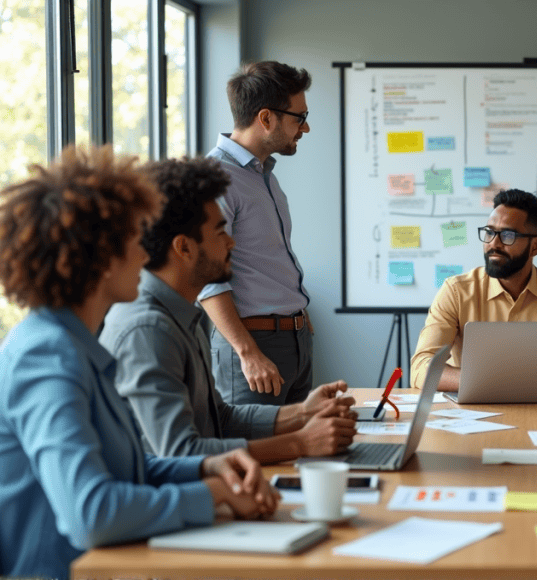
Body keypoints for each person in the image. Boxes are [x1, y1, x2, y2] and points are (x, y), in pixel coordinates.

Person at [0, 146, 278, 580]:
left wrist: (209, 468)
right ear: (100, 257)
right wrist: (212, 494)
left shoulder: (76, 343)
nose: (145, 254)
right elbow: (91, 512)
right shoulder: (47, 355)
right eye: (134, 239)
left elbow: (126, 468)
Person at [100, 157, 358, 462]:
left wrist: (302, 413)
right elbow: (182, 453)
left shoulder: (180, 313)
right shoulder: (148, 330)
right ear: (184, 247)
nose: (232, 242)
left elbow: (216, 420)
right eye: (220, 232)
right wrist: (299, 444)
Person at [411, 188, 537, 392]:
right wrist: (491, 382)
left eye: (508, 235)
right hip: (473, 415)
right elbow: (421, 368)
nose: (494, 244)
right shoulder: (456, 291)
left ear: (536, 246)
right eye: (489, 232)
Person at [199, 61, 315, 406]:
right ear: (266, 118)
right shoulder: (214, 179)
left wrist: (300, 323)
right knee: (255, 457)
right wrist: (248, 352)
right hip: (253, 347)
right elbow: (207, 279)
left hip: (295, 340)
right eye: (299, 117)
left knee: (300, 452)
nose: (305, 128)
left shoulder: (266, 176)